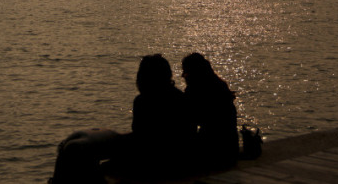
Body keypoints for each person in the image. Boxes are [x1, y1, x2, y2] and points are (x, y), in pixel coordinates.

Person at [51, 54, 193, 183]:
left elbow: (144, 138)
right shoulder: (181, 99)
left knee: (76, 151)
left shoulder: (143, 101)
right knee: (74, 147)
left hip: (157, 160)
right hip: (176, 157)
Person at [181, 52, 239, 170]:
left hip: (213, 152)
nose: (183, 76)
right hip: (231, 150)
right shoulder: (221, 86)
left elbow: (189, 127)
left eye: (185, 73)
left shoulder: (195, 91)